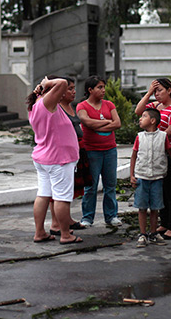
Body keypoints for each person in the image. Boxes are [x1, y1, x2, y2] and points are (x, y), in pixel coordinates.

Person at [27, 76, 82, 244]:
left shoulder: (36, 104)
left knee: (43, 194)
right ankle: (65, 234)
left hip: (44, 157)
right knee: (62, 197)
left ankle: (40, 232)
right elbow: (63, 83)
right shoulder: (46, 104)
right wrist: (46, 84)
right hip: (58, 158)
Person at [134, 77, 171, 239]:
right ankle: (164, 222)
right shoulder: (155, 106)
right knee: (160, 190)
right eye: (155, 91)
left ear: (169, 91)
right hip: (156, 154)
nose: (157, 94)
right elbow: (138, 111)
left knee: (170, 190)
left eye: (160, 90)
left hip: (170, 152)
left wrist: (153, 134)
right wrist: (148, 92)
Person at [77, 76, 122, 227]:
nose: (103, 90)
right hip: (91, 151)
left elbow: (117, 123)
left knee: (110, 185)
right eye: (99, 87)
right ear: (90, 90)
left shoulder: (109, 105)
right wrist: (107, 122)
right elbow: (86, 122)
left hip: (110, 150)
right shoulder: (82, 106)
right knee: (91, 186)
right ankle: (87, 218)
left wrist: (97, 126)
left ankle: (111, 216)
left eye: (103, 87)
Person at [130, 108, 171, 248]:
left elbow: (169, 152)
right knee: (142, 207)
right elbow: (134, 156)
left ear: (152, 121)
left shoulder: (163, 137)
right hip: (142, 177)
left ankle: (153, 233)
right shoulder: (139, 137)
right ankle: (143, 234)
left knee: (155, 208)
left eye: (144, 116)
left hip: (157, 178)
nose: (140, 118)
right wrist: (132, 175)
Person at [49, 77, 89, 235]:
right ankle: (56, 223)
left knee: (71, 189)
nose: (73, 92)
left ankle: (67, 219)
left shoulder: (71, 106)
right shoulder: (56, 108)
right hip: (63, 155)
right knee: (58, 192)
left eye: (73, 88)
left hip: (77, 152)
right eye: (69, 88)